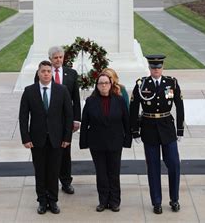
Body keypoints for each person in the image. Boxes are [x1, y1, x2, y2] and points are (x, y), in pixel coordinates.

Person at [129, 54, 184, 215]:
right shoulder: (141, 84)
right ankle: (157, 202)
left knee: (174, 164)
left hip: (167, 127)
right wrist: (135, 131)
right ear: (150, 69)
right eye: (153, 68)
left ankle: (174, 199)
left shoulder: (171, 83)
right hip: (149, 128)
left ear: (162, 68)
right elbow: (134, 108)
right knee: (153, 168)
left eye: (159, 67)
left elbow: (179, 106)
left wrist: (180, 129)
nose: (156, 70)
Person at [20, 60, 73, 214]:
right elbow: (23, 117)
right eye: (43, 71)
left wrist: (67, 137)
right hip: (37, 140)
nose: (46, 74)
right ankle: (42, 201)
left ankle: (53, 201)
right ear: (38, 73)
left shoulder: (61, 90)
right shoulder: (29, 91)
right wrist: (26, 138)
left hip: (57, 139)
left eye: (48, 71)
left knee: (54, 171)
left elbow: (68, 116)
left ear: (52, 73)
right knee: (40, 172)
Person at [79, 72, 131, 212]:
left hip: (115, 142)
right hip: (97, 143)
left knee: (114, 173)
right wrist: (83, 142)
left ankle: (114, 202)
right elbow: (85, 123)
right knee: (101, 174)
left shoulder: (119, 100)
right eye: (101, 83)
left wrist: (127, 140)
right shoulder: (90, 101)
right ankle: (103, 201)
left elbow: (126, 121)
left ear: (111, 84)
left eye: (106, 83)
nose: (103, 86)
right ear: (97, 86)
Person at [34, 46, 81, 194]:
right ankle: (49, 182)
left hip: (66, 121)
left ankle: (66, 181)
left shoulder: (71, 74)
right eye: (55, 58)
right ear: (50, 59)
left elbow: (76, 99)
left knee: (65, 152)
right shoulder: (44, 74)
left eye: (61, 57)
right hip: (49, 122)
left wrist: (77, 119)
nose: (58, 60)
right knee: (50, 152)